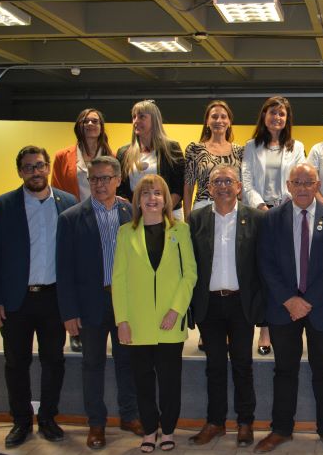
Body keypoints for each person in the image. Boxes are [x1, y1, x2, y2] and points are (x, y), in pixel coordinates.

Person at [0, 145, 78, 448]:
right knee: (16, 362)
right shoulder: (2, 206)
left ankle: (47, 418)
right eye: (29, 167)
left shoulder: (68, 203)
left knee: (54, 361)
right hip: (15, 300)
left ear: (48, 167)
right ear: (20, 172)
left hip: (54, 299)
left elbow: (76, 257)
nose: (35, 171)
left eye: (40, 165)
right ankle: (21, 421)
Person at [253, 164, 323, 455]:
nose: (303, 187)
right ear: (288, 185)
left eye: (309, 182)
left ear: (317, 184)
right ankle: (281, 429)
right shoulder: (271, 218)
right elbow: (265, 262)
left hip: (322, 307)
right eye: (297, 182)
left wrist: (307, 301)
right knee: (284, 370)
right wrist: (290, 299)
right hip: (283, 308)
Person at [55, 155, 144, 449]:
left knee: (127, 362)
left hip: (126, 304)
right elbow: (64, 270)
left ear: (118, 180)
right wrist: (69, 312)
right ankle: (96, 423)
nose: (99, 184)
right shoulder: (70, 218)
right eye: (94, 179)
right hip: (89, 304)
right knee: (92, 364)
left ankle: (130, 416)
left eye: (106, 178)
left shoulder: (131, 213)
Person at [112, 174, 197, 453]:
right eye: (146, 193)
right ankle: (149, 430)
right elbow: (119, 280)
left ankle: (168, 429)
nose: (152, 198)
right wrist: (122, 320)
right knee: (143, 381)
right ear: (137, 201)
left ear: (166, 200)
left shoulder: (180, 230)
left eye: (157, 193)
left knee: (170, 382)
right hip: (137, 323)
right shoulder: (126, 233)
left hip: (170, 321)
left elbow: (190, 275)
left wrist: (176, 310)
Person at [188, 166, 264, 448]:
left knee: (243, 365)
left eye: (228, 181)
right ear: (208, 188)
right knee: (215, 366)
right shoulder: (196, 219)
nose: (222, 186)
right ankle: (215, 423)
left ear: (238, 187)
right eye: (216, 181)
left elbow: (262, 263)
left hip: (241, 304)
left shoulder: (255, 218)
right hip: (209, 304)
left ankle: (245, 423)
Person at [242, 95, 305, 356]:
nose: (277, 117)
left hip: (285, 212)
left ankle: (285, 321)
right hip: (257, 212)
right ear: (264, 115)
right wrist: (261, 207)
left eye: (281, 114)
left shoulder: (296, 147)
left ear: (287, 119)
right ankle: (264, 329)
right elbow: (246, 181)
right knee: (261, 271)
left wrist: (280, 207)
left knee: (284, 270)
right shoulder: (251, 146)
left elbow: (298, 180)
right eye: (272, 113)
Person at [51, 107, 114, 353]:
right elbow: (57, 190)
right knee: (77, 274)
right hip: (77, 220)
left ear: (101, 126)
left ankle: (106, 325)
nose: (90, 124)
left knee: (103, 274)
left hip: (104, 219)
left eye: (95, 120)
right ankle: (76, 331)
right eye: (86, 120)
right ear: (79, 125)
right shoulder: (62, 156)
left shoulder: (110, 155)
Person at [116, 99, 186, 220]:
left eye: (142, 117)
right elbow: (120, 188)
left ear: (154, 120)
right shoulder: (123, 152)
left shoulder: (171, 148)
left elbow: (179, 186)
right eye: (134, 117)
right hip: (135, 215)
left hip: (169, 214)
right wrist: (134, 211)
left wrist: (162, 210)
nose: (136, 121)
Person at [183, 100, 244, 219]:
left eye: (223, 117)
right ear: (207, 121)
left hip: (232, 210)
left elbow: (241, 188)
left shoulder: (240, 151)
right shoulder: (195, 149)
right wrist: (187, 219)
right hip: (203, 208)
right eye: (214, 117)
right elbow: (188, 187)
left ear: (229, 122)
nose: (219, 121)